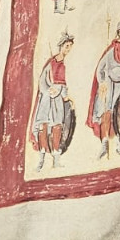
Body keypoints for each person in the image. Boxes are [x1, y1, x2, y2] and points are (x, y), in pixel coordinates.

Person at [89, 16, 120, 158]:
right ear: (119, 31)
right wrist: (102, 82)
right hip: (110, 84)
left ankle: (118, 143)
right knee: (107, 112)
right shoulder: (113, 49)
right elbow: (100, 67)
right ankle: (104, 143)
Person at [32, 32, 75, 170]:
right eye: (66, 46)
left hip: (58, 100)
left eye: (70, 46)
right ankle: (41, 160)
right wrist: (48, 90)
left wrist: (64, 95)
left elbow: (63, 84)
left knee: (57, 127)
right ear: (61, 46)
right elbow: (42, 81)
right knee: (43, 127)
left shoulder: (64, 64)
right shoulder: (51, 63)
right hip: (47, 99)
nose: (68, 49)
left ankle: (56, 160)